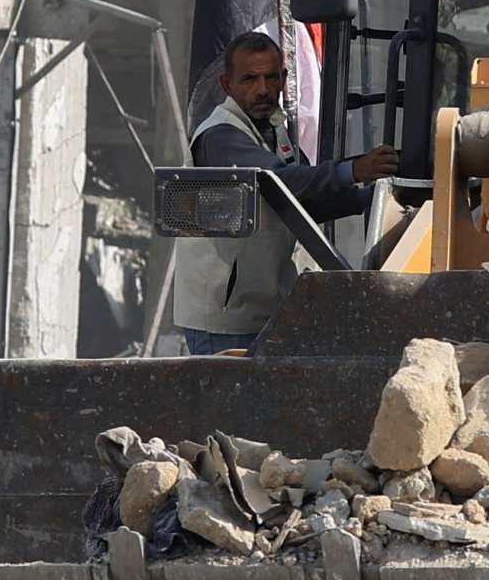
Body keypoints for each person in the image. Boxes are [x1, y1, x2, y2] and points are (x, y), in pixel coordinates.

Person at [164, 31, 396, 355]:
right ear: (227, 85)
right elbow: (279, 181)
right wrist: (353, 170)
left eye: (270, 77)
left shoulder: (274, 129)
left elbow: (298, 203)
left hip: (264, 305)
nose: (262, 89)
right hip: (224, 318)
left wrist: (372, 196)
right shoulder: (219, 137)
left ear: (284, 78)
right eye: (249, 79)